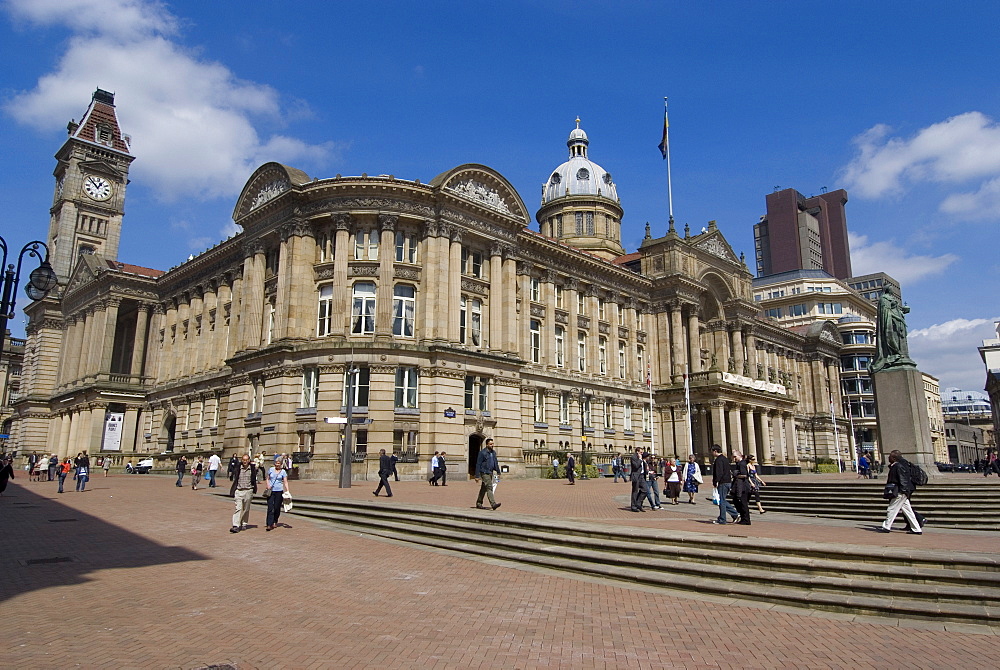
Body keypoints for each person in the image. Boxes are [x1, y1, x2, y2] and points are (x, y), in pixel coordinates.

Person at [879, 450, 922, 534]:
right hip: (902, 492)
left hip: (900, 491)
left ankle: (886, 526)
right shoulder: (895, 466)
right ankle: (916, 528)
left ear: (894, 458)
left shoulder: (898, 466)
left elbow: (903, 479)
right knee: (908, 511)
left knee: (891, 509)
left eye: (890, 456)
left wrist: (903, 491)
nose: (888, 458)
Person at [229, 454, 258, 533]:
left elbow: (254, 479)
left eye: (246, 460)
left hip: (248, 490)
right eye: (243, 460)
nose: (245, 461)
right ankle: (236, 525)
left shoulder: (252, 469)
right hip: (239, 490)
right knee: (238, 508)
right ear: (241, 460)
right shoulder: (238, 468)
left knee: (246, 509)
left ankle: (244, 523)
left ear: (249, 460)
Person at [711, 445, 739, 524]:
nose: (712, 453)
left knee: (722, 501)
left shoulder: (719, 460)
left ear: (715, 451)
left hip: (723, 482)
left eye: (712, 451)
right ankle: (734, 514)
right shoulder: (725, 459)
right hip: (728, 481)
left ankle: (723, 519)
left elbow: (719, 472)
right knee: (722, 500)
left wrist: (716, 481)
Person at [474, 438, 501, 510]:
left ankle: (479, 503)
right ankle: (493, 504)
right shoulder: (482, 453)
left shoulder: (493, 453)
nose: (492, 445)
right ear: (487, 444)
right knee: (489, 487)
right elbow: (478, 464)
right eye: (491, 444)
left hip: (490, 472)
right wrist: (477, 476)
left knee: (483, 488)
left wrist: (498, 472)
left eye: (493, 444)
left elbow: (495, 463)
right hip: (484, 472)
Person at [265, 456, 291, 530]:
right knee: (270, 507)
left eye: (278, 463)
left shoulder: (283, 472)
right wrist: (268, 485)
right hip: (271, 491)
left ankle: (275, 521)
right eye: (276, 463)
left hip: (279, 491)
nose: (277, 465)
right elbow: (267, 478)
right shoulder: (271, 470)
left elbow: (285, 481)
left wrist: (287, 490)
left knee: (277, 507)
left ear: (281, 464)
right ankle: (269, 524)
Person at [731, 451, 752, 525]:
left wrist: (736, 475)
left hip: (743, 486)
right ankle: (743, 518)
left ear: (739, 456)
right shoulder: (739, 464)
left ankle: (746, 519)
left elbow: (745, 475)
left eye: (735, 457)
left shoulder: (742, 464)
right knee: (737, 501)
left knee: (743, 503)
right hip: (740, 485)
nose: (734, 459)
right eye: (733, 457)